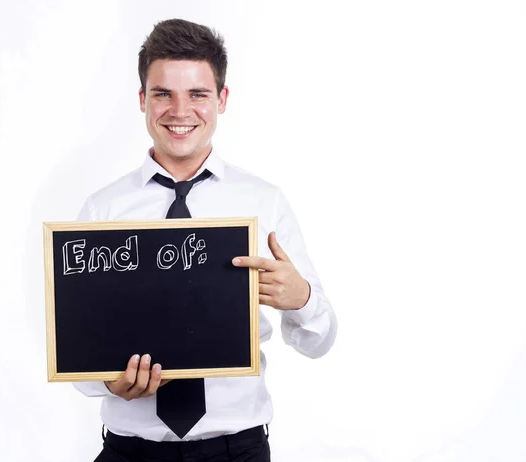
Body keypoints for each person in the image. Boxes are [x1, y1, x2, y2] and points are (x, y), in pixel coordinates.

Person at [73, 18, 338, 462]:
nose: (180, 111)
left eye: (197, 94)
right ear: (142, 100)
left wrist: (302, 298)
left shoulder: (264, 202)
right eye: (163, 93)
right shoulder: (103, 210)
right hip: (130, 454)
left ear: (221, 99)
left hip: (239, 451)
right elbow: (76, 354)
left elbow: (320, 340)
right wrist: (106, 382)